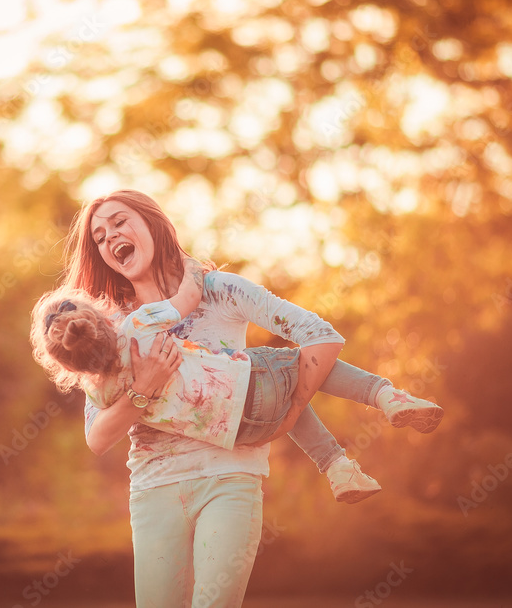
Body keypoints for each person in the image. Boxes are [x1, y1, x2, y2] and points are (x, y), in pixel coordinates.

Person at [44, 189, 436, 608]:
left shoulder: (220, 291)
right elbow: (98, 437)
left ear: (151, 222)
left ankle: (377, 406)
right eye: (100, 237)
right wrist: (144, 388)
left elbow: (317, 338)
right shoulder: (109, 328)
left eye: (119, 222)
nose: (110, 238)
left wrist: (292, 412)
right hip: (155, 487)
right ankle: (362, 428)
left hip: (231, 478)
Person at [30, 254, 443, 499]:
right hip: (246, 384)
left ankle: (338, 468)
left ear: (68, 367)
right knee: (300, 368)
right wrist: (191, 265)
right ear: (102, 317)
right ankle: (387, 396)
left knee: (285, 392)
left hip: (237, 433)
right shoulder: (139, 324)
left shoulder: (100, 395)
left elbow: (99, 437)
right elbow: (189, 297)